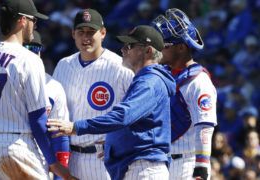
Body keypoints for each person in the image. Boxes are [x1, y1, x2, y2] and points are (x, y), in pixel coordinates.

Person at [0, 0, 75, 179]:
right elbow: (37, 120)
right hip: (15, 144)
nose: (34, 25)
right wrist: (53, 163)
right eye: (33, 21)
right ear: (22, 20)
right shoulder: (28, 59)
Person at [48, 25, 176, 180]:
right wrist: (113, 143)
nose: (123, 49)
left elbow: (122, 116)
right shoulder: (145, 80)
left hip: (144, 168)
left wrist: (76, 127)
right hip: (138, 166)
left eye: (130, 46)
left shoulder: (150, 82)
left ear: (148, 51)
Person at [52, 8, 134, 180]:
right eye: (81, 32)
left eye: (91, 32)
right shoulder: (63, 65)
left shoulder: (121, 67)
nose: (85, 37)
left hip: (105, 158)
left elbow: (136, 113)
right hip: (71, 157)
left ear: (103, 33)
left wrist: (121, 140)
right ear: (73, 34)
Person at [152, 8, 217, 180]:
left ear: (181, 47)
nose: (159, 49)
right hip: (161, 162)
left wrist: (202, 167)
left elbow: (205, 127)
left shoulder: (199, 81)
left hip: (187, 164)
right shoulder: (164, 74)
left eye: (165, 45)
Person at [24, 30, 71, 179]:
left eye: (35, 48)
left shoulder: (53, 86)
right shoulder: (3, 81)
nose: (31, 53)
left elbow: (60, 135)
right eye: (27, 48)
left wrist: (60, 175)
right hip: (8, 152)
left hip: (42, 161)